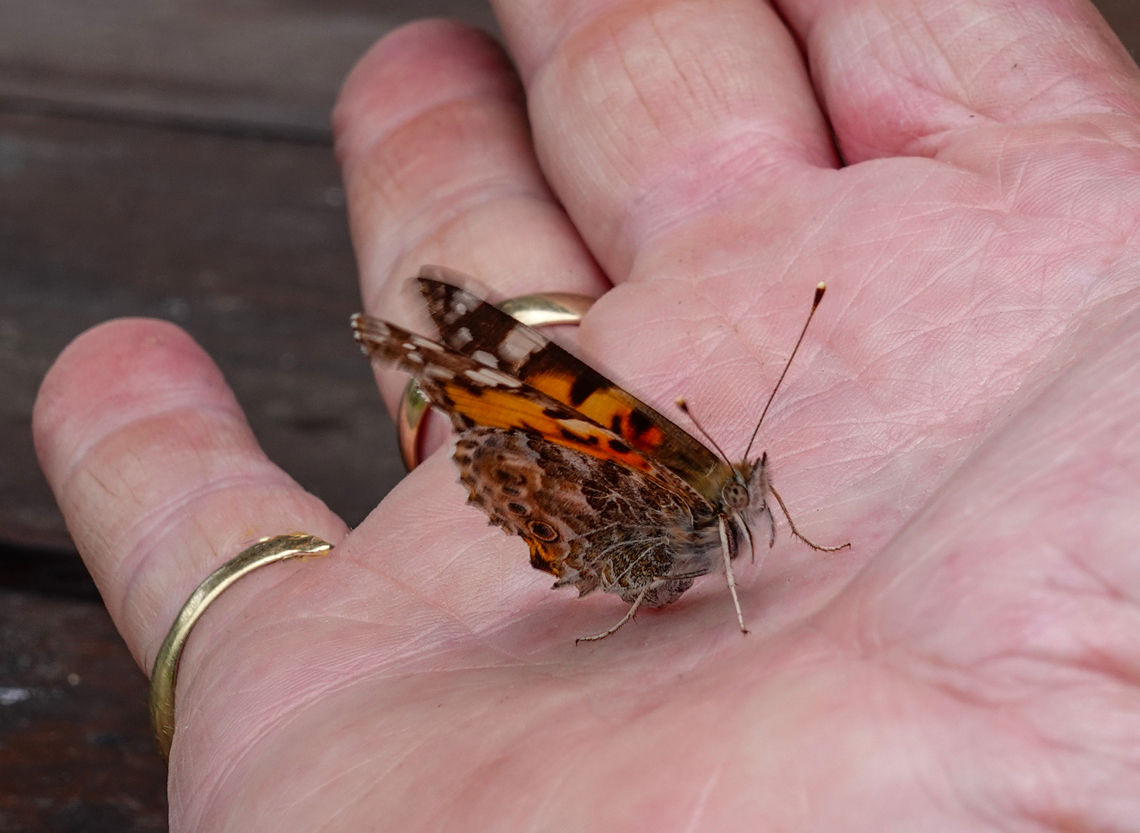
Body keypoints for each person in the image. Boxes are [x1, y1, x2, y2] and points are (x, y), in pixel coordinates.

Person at [33, 0, 1140, 828]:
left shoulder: (723, 487)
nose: (758, 484)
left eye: (763, 496)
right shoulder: (682, 478)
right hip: (588, 516)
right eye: (760, 495)